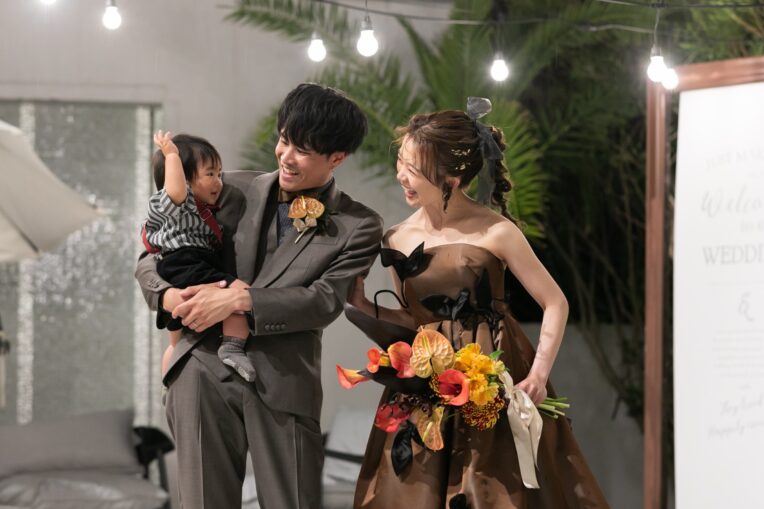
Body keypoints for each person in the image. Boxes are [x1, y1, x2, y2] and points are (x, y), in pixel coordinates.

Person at [347, 98, 609, 508]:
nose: (401, 175)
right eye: (401, 162)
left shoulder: (496, 232)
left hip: (494, 373)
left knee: (493, 487)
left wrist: (538, 376)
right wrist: (365, 307)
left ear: (451, 178)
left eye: (413, 168)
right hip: (428, 379)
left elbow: (555, 302)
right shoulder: (396, 237)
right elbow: (414, 320)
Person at [135, 83, 383, 509]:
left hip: (285, 383)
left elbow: (325, 300)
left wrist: (240, 301)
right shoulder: (226, 188)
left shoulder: (359, 225)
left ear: (336, 158)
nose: (286, 156)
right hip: (201, 371)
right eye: (284, 140)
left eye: (303, 150)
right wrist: (168, 297)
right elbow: (155, 251)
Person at [143, 131, 254, 381]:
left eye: (219, 174)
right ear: (183, 178)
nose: (219, 182)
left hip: (180, 268)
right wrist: (172, 155)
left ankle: (167, 382)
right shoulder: (176, 202)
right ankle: (233, 345)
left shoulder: (201, 210)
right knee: (241, 294)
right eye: (210, 174)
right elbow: (176, 188)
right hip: (187, 263)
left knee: (175, 343)